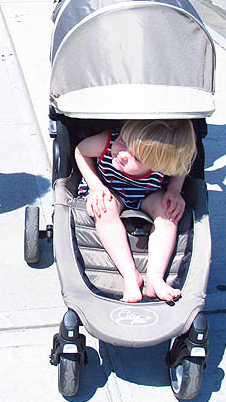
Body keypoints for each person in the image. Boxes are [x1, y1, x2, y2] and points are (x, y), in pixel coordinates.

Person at [74, 119, 197, 303]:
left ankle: (155, 278)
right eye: (124, 141)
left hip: (148, 192)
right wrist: (95, 186)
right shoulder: (107, 142)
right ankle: (130, 275)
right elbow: (80, 151)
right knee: (104, 211)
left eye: (136, 157)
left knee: (167, 215)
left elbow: (181, 167)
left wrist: (174, 190)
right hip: (110, 188)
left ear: (159, 165)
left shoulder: (162, 157)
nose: (123, 154)